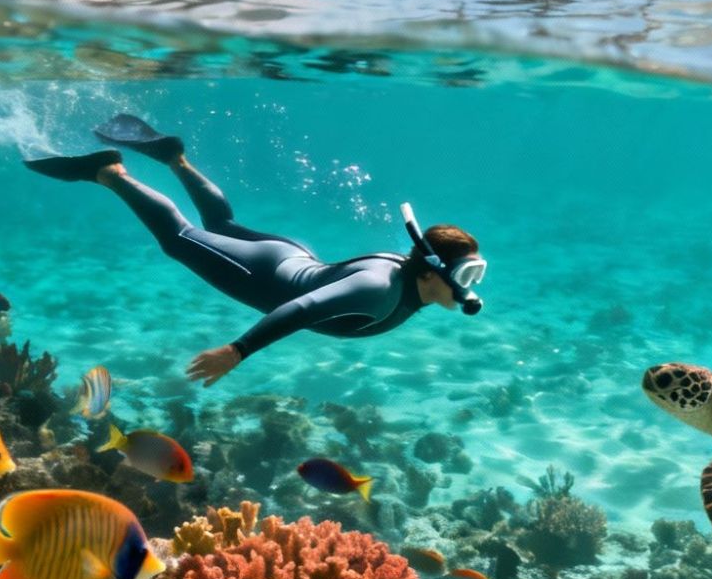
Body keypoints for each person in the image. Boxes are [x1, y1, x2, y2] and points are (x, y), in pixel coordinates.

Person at [25, 115, 485, 386]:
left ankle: (174, 159)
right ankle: (111, 174)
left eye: (474, 277)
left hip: (290, 255)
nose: (469, 290)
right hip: (265, 275)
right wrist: (237, 351)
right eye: (464, 277)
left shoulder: (405, 277)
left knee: (219, 225)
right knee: (178, 239)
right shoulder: (379, 291)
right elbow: (304, 308)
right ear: (428, 271)